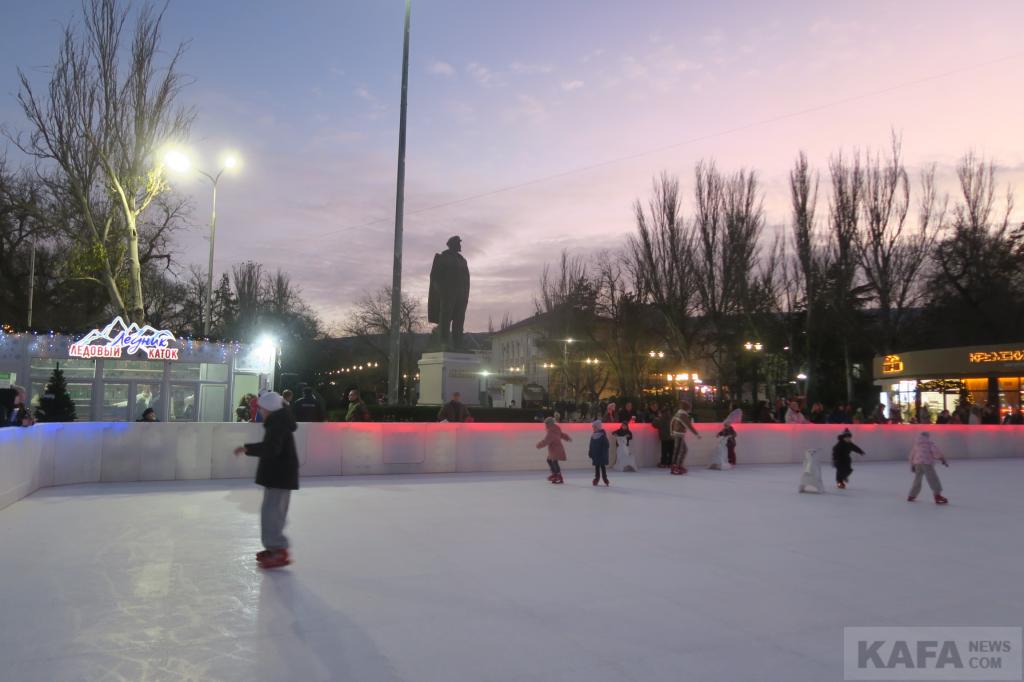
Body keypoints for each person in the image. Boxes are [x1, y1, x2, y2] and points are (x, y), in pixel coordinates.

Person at [233, 391, 299, 569]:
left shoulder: (277, 424)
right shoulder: (279, 422)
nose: (260, 412)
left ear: (269, 409)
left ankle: (278, 550)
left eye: (261, 409)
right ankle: (274, 548)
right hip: (280, 475)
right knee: (273, 512)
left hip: (279, 476)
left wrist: (247, 449)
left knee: (272, 513)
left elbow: (272, 449)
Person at [427, 235, 471, 350]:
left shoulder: (462, 260)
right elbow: (434, 277)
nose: (460, 245)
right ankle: (444, 341)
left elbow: (466, 279)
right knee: (445, 318)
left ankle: (458, 343)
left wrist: (465, 294)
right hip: (447, 293)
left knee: (459, 318)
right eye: (458, 243)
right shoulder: (443, 258)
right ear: (452, 245)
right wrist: (442, 292)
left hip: (461, 295)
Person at [907, 432, 949, 504]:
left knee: (917, 480)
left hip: (918, 464)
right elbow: (936, 452)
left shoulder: (917, 444)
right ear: (927, 437)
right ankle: (937, 496)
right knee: (933, 479)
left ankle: (912, 495)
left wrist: (912, 465)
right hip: (927, 463)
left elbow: (912, 455)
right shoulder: (930, 444)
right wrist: (942, 459)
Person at [669, 401, 701, 475]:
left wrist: (671, 432)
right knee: (681, 450)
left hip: (677, 434)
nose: (689, 409)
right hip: (679, 434)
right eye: (689, 408)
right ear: (686, 408)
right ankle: (677, 467)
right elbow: (688, 426)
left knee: (679, 450)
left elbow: (671, 422)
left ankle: (676, 466)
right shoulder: (683, 415)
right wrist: (696, 434)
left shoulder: (678, 413)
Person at [536, 416, 571, 484]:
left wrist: (539, 445)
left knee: (554, 461)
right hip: (556, 448)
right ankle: (555, 474)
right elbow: (561, 434)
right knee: (550, 460)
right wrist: (567, 437)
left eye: (546, 424)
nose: (545, 425)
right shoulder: (556, 428)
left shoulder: (551, 431)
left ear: (549, 424)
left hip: (555, 448)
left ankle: (558, 476)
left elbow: (546, 441)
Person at [588, 419, 610, 487]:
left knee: (603, 467)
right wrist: (590, 451)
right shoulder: (593, 436)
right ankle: (596, 478)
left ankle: (605, 479)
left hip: (601, 455)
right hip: (596, 455)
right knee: (597, 467)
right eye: (593, 427)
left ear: (598, 427)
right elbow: (591, 445)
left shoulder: (603, 436)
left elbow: (607, 445)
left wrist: (604, 454)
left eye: (594, 427)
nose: (593, 428)